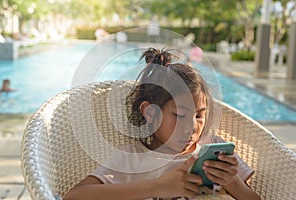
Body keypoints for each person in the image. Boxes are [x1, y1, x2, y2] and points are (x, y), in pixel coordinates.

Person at [63, 48, 260, 200]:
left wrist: (231, 181)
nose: (192, 127)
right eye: (180, 115)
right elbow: (73, 196)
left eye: (199, 116)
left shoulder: (214, 151)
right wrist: (159, 186)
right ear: (150, 112)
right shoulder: (130, 159)